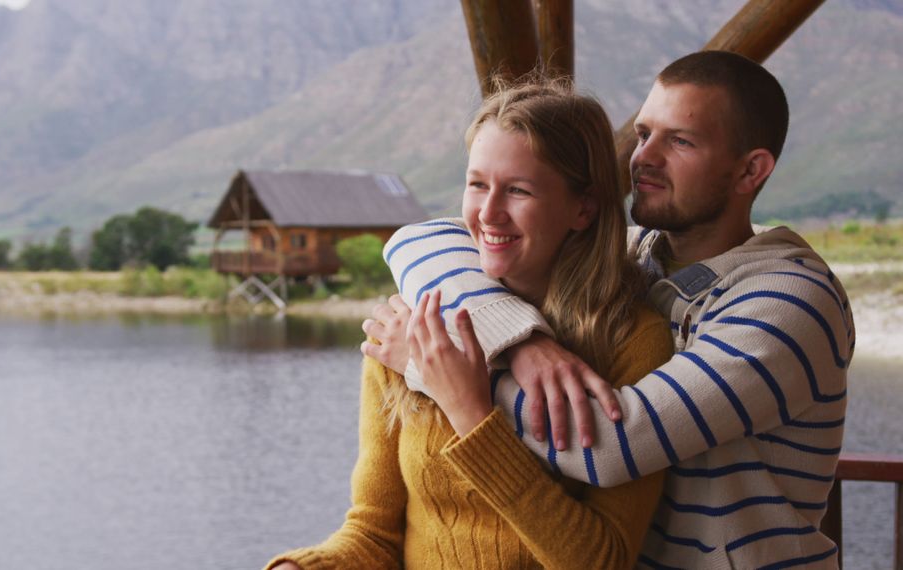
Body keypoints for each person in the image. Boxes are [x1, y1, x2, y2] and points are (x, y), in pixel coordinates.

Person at [366, 51, 854, 568]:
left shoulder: (789, 302)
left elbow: (614, 444)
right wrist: (524, 343)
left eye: (680, 141)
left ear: (750, 170)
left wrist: (443, 373)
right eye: (644, 133)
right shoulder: (641, 260)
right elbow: (421, 240)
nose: (643, 158)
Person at [265, 78, 674, 569]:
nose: (488, 214)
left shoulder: (633, 343)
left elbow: (603, 560)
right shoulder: (415, 325)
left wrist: (471, 415)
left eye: (518, 190)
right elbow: (374, 533)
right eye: (477, 184)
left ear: (582, 208)